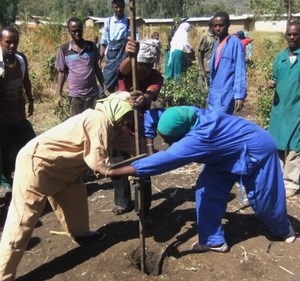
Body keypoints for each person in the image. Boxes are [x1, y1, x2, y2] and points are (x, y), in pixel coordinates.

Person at [98, 106, 296, 254]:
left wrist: (112, 172)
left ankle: (282, 229)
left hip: (256, 149)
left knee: (264, 197)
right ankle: (213, 240)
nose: (166, 143)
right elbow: (152, 116)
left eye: (168, 140)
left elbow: (167, 160)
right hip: (222, 156)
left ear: (182, 134)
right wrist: (147, 133)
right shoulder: (187, 114)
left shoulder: (200, 137)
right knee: (206, 190)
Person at [0, 92, 138, 281]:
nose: (126, 121)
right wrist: (128, 170)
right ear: (117, 110)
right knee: (22, 222)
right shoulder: (98, 119)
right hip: (38, 165)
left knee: (76, 200)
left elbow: (133, 144)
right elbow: (98, 164)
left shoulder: (112, 124)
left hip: (65, 170)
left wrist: (154, 157)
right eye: (126, 116)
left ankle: (80, 233)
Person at [110, 38, 164, 225]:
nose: (143, 69)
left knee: (143, 168)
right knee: (118, 163)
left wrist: (144, 97)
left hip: (139, 128)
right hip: (119, 126)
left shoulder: (156, 77)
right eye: (140, 65)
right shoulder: (127, 73)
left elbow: (151, 93)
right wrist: (130, 54)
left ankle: (143, 209)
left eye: (148, 66)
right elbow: (122, 68)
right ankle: (122, 201)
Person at [0, 26, 36, 188]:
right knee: (5, 151)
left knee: (31, 145)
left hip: (18, 113)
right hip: (2, 118)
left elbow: (26, 81)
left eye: (15, 42)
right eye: (8, 42)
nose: (12, 46)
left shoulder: (21, 59)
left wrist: (30, 99)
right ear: (1, 42)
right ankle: (6, 181)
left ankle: (30, 179)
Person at [268, 21, 300, 198]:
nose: (292, 37)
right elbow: (275, 77)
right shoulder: (280, 57)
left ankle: (291, 182)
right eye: (289, 34)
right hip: (280, 109)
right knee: (278, 142)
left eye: (295, 34)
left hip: (297, 109)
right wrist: (272, 83)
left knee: (295, 146)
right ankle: (279, 178)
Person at [55, 17, 107, 117]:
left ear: (83, 29)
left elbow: (97, 68)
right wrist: (58, 94)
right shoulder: (64, 50)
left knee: (93, 125)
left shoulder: (91, 47)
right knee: (77, 127)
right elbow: (61, 73)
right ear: (68, 31)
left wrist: (105, 88)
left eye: (79, 30)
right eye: (74, 31)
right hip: (75, 97)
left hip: (92, 95)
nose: (77, 34)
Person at [208, 11, 247, 114]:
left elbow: (240, 70)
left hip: (226, 93)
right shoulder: (216, 44)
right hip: (213, 94)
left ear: (228, 25)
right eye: (215, 25)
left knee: (221, 124)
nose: (217, 28)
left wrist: (239, 95)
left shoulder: (235, 43)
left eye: (221, 25)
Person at [99, 0, 132, 95]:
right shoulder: (108, 22)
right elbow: (104, 41)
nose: (119, 9)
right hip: (111, 61)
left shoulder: (129, 22)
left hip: (125, 60)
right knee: (104, 88)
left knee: (125, 89)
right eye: (116, 7)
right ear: (112, 7)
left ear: (124, 6)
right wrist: (100, 57)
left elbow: (135, 40)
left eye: (121, 6)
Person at [197, 18, 215, 88]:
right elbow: (199, 53)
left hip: (213, 68)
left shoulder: (215, 37)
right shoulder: (205, 37)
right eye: (215, 26)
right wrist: (202, 69)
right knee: (202, 89)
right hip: (206, 68)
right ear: (212, 26)